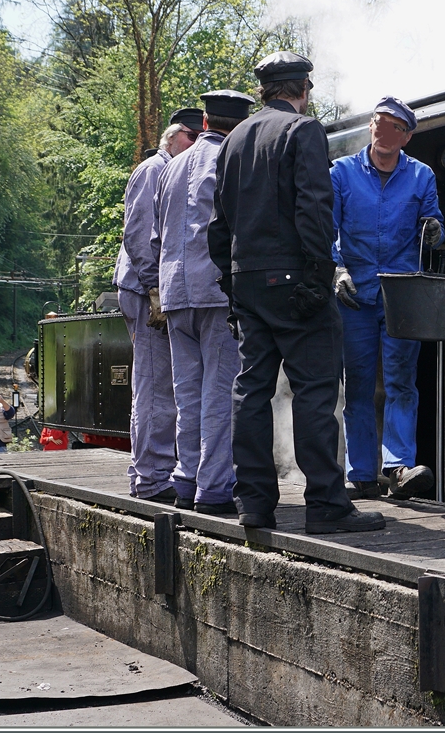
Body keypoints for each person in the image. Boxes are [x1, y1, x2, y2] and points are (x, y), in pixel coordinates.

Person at [208, 50, 384, 535]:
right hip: (293, 278)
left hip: (247, 281)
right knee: (315, 390)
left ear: (265, 89)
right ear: (303, 90)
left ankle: (255, 504)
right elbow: (313, 207)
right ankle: (326, 503)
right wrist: (319, 273)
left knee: (251, 389)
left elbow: (218, 223)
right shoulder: (303, 130)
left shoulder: (234, 138)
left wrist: (230, 283)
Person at [331, 97, 443, 500]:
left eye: (392, 125)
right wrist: (337, 269)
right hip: (356, 293)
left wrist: (433, 230)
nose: (381, 129)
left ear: (406, 135)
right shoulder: (341, 173)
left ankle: (397, 467)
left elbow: (435, 221)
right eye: (378, 121)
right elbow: (326, 229)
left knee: (401, 382)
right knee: (358, 384)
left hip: (400, 291)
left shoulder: (421, 175)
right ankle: (360, 472)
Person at [151, 90, 254, 515]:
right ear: (239, 123)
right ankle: (213, 488)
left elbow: (157, 233)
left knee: (186, 392)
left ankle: (186, 477)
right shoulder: (231, 160)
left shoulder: (170, 168)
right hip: (215, 290)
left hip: (175, 291)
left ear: (207, 120)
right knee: (219, 390)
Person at [112, 109, 201, 503]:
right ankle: (149, 479)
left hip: (156, 287)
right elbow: (138, 234)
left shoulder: (170, 169)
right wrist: (155, 289)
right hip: (147, 289)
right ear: (177, 135)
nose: (199, 145)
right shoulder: (155, 169)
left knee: (161, 386)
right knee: (154, 386)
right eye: (193, 137)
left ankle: (154, 473)